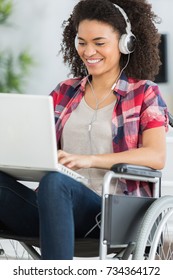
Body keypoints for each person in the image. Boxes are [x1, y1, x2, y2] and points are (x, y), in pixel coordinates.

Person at [0, 0, 169, 260]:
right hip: (52, 208)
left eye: (99, 43)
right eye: (82, 42)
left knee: (56, 183)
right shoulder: (64, 92)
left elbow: (155, 156)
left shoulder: (145, 93)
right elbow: (39, 145)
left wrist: (90, 160)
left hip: (109, 215)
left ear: (126, 43)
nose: (89, 51)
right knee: (49, 183)